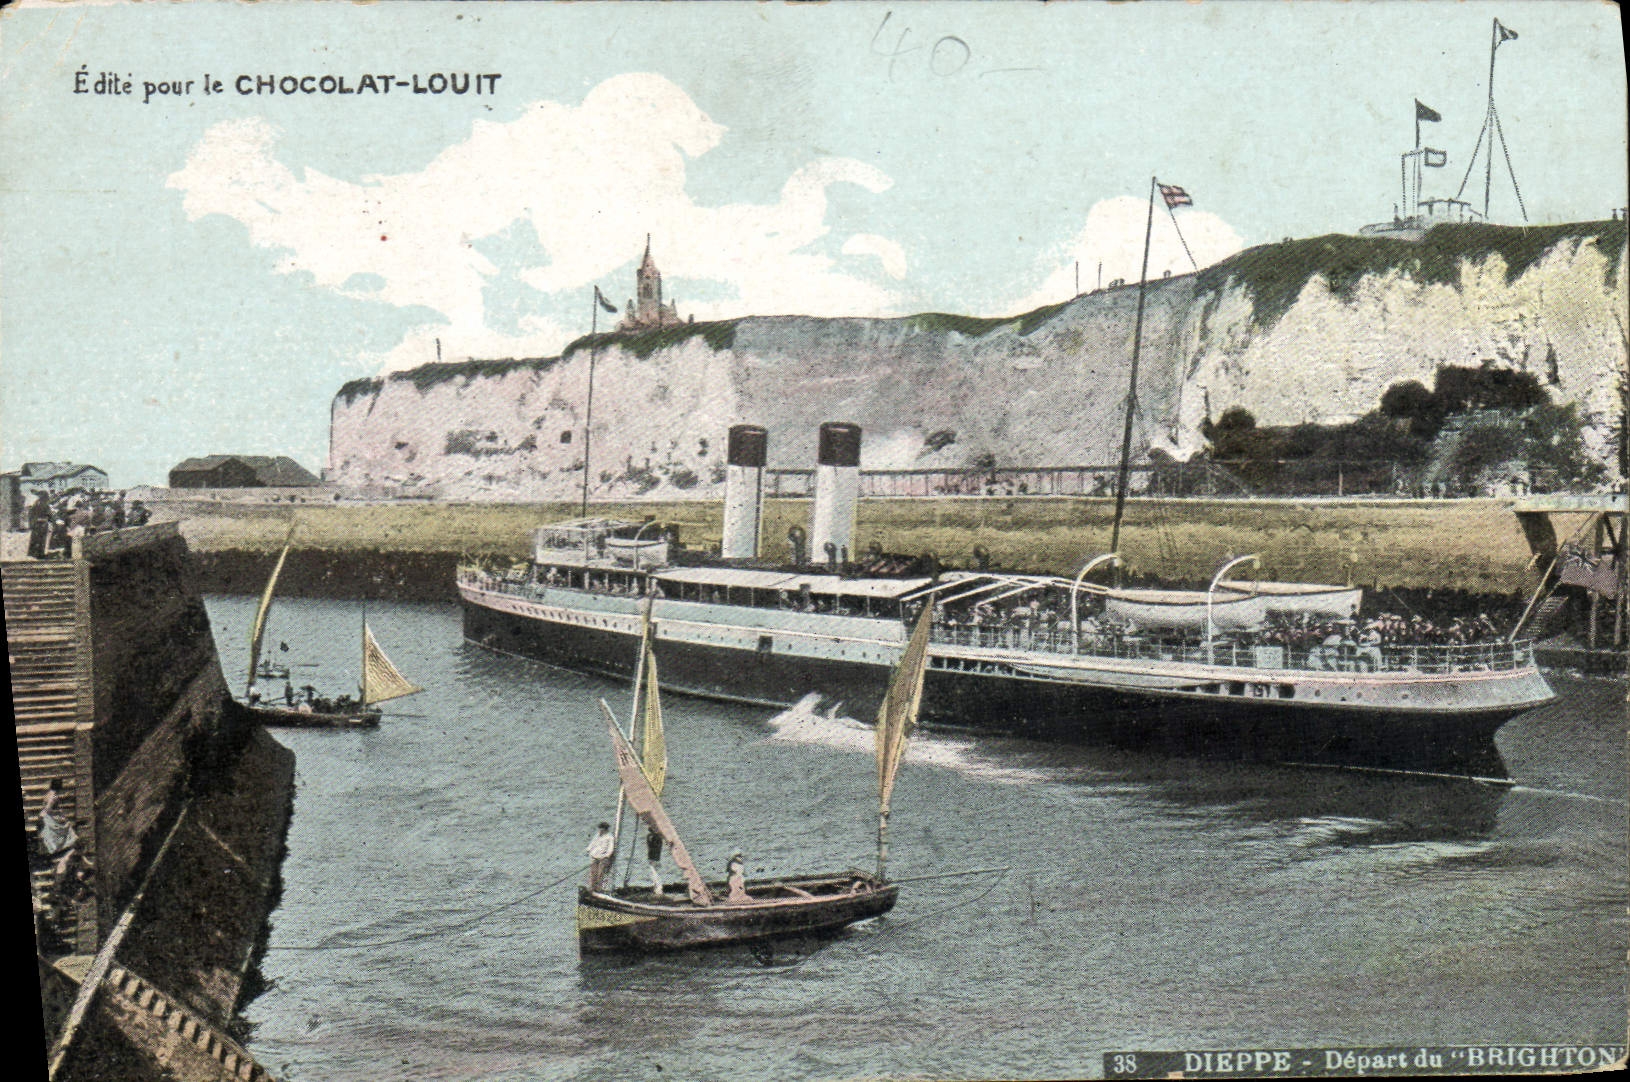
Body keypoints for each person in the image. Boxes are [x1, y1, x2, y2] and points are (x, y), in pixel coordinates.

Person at [38, 780, 77, 860]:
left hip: (51, 816)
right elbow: (47, 808)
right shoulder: (53, 796)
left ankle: (61, 848)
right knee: (66, 827)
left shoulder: (48, 794)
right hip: (51, 817)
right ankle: (67, 847)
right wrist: (42, 816)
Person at [586, 822, 616, 892]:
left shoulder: (610, 837)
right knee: (593, 873)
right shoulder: (597, 836)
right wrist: (589, 850)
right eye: (599, 829)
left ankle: (598, 889)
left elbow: (610, 849)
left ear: (605, 829)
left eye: (601, 829)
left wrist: (606, 856)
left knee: (600, 873)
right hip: (595, 857)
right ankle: (592, 888)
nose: (600, 831)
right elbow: (592, 844)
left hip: (603, 858)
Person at [27, 492, 50, 559]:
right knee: (42, 539)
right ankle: (40, 554)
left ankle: (34, 553)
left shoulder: (35, 503)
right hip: (43, 523)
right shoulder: (45, 504)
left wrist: (31, 524)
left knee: (35, 538)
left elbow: (30, 514)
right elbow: (49, 514)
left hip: (35, 523)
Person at [646, 827, 665, 896]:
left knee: (655, 874)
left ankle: (658, 890)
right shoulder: (658, 838)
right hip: (655, 858)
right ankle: (657, 889)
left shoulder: (653, 837)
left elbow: (651, 845)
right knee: (655, 874)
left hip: (654, 859)